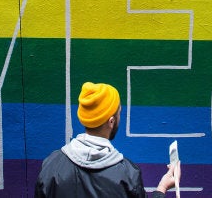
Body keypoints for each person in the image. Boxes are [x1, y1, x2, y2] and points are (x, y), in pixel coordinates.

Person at [35, 82, 181, 198]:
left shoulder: (51, 165)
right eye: (119, 113)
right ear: (111, 122)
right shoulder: (128, 174)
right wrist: (162, 188)